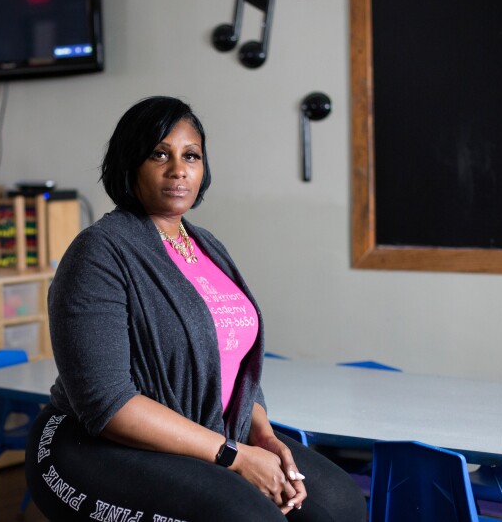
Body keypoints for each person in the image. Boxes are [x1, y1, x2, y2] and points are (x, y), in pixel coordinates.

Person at [26, 96, 366, 521]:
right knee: (246, 516)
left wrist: (260, 435)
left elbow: (233, 363)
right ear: (130, 163)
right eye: (159, 154)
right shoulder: (98, 253)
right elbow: (108, 405)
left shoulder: (206, 245)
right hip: (87, 444)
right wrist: (233, 457)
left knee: (340, 506)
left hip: (212, 432)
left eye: (191, 156)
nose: (178, 170)